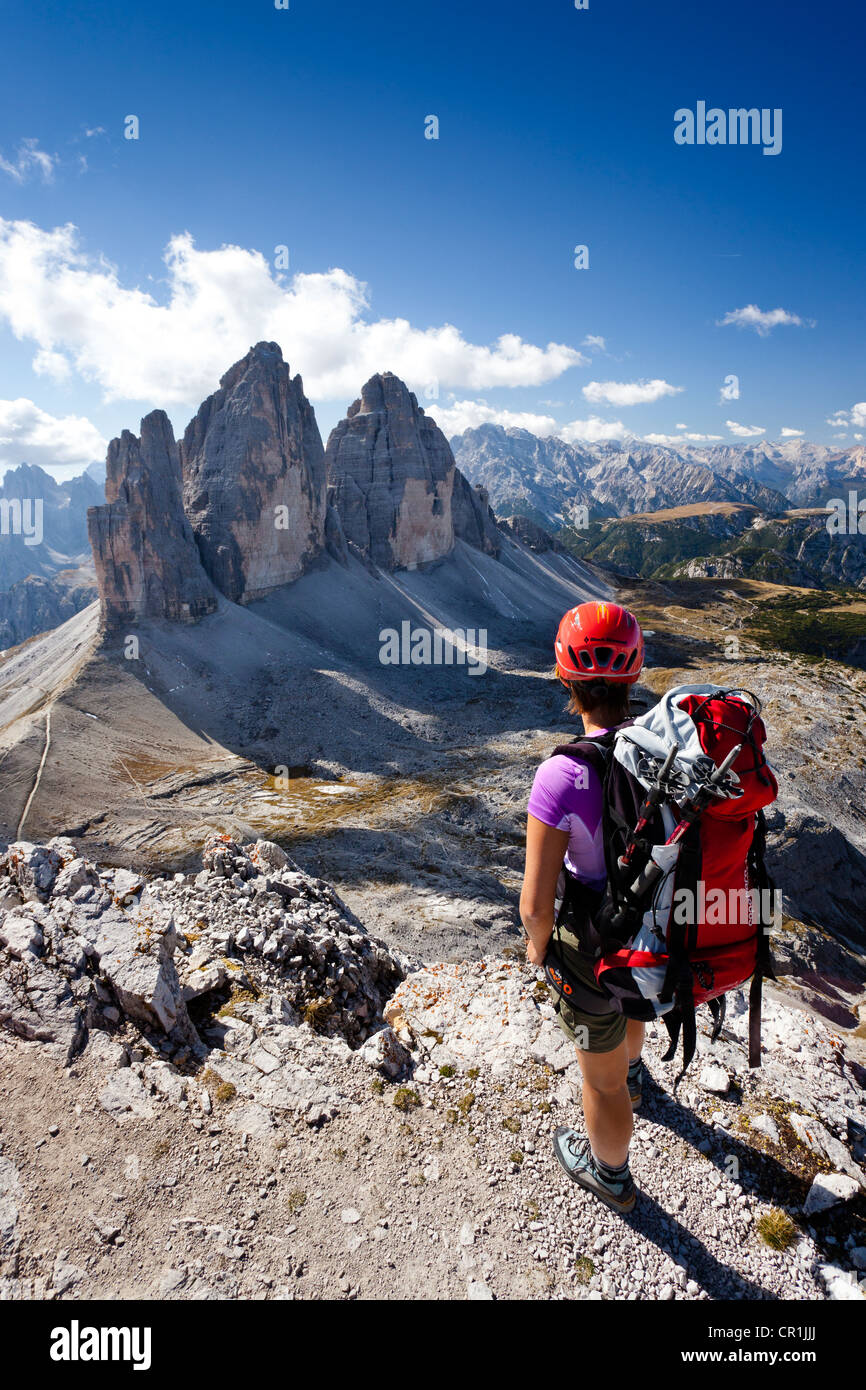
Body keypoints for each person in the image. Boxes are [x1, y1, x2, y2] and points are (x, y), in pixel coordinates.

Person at [520, 601, 645, 1214]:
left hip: (593, 940)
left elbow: (536, 903)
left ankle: (610, 1176)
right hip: (654, 931)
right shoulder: (662, 755)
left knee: (602, 1080)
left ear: (566, 679)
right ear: (635, 671)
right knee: (637, 993)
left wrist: (539, 951)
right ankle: (637, 1069)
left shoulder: (560, 774)